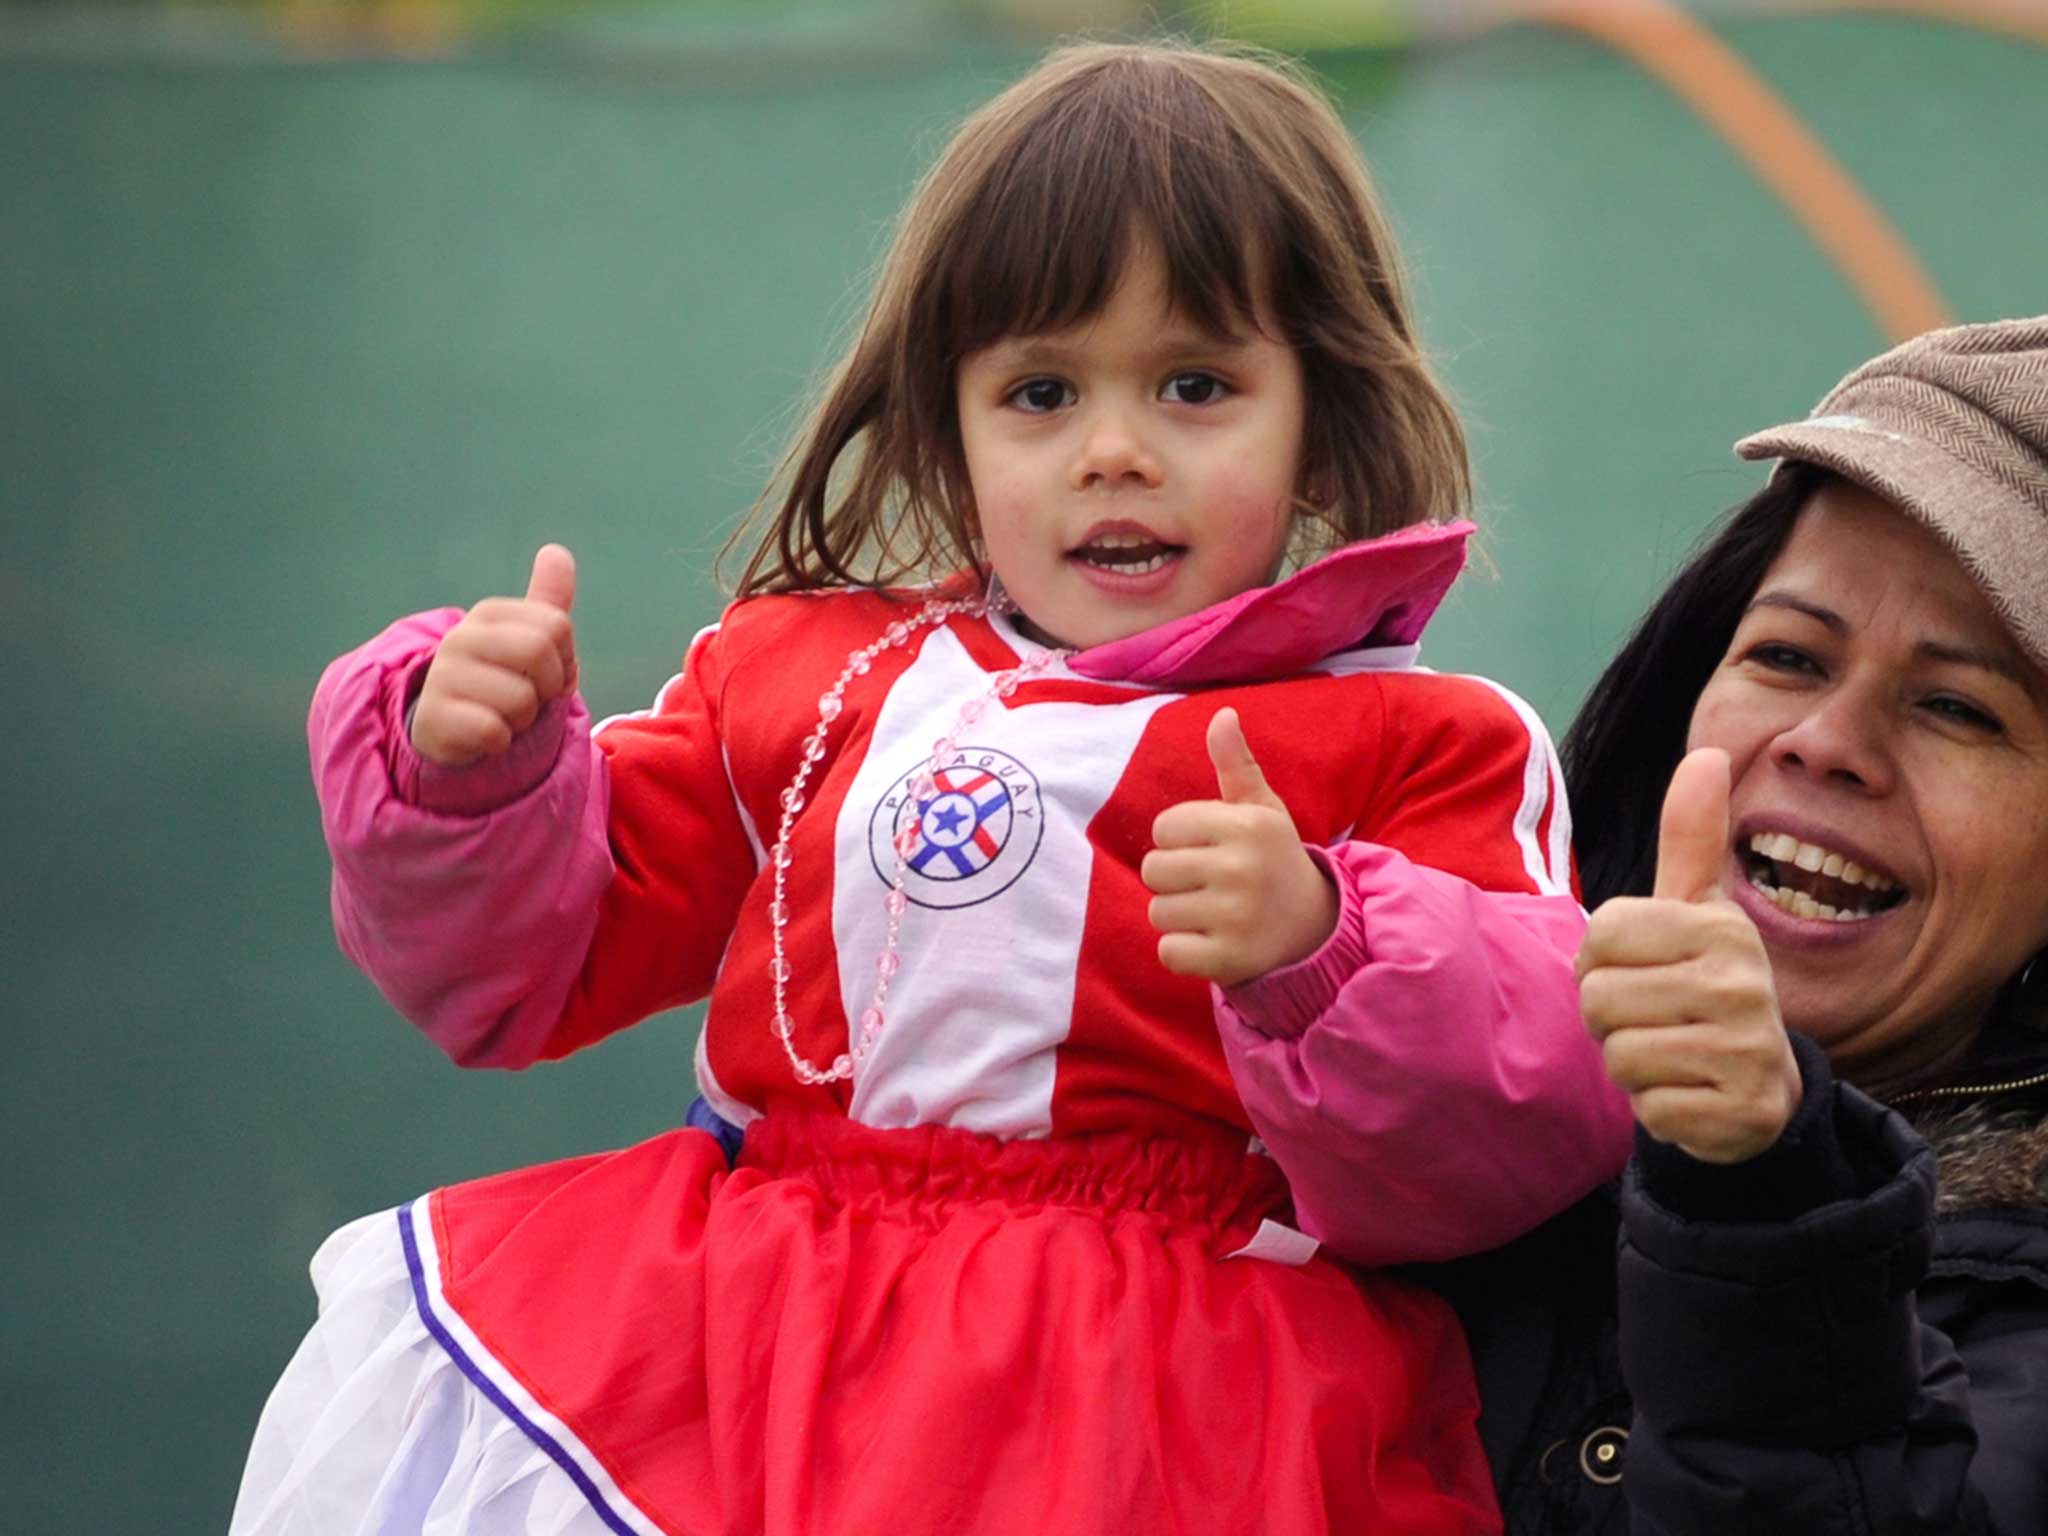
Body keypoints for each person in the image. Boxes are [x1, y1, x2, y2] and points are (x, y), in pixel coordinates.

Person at [229, 40, 1633, 1536]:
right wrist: (473, 775)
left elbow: (1519, 1127)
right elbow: (524, 961)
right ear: (949, 439)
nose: (1112, 450)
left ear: (1321, 423)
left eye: (1196, 384)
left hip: (1168, 1419)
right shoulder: (807, 675)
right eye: (1039, 390)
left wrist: (1320, 950)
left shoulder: (1414, 738)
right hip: (757, 1364)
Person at [1244, 316, 2048, 1534]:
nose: (1823, 743)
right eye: (1785, 654)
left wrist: (1755, 1180)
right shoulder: (1395, 1093)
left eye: (1955, 708)